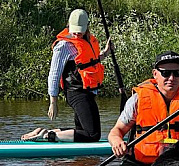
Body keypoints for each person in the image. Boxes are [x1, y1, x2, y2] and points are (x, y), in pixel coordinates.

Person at [21, 9, 112, 142]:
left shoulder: (88, 41)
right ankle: (46, 136)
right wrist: (53, 102)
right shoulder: (63, 45)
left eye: (80, 30)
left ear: (87, 27)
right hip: (76, 93)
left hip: (87, 92)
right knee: (93, 135)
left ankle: (44, 132)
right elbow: (54, 74)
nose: (76, 33)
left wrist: (106, 52)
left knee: (83, 131)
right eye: (74, 29)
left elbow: (89, 62)